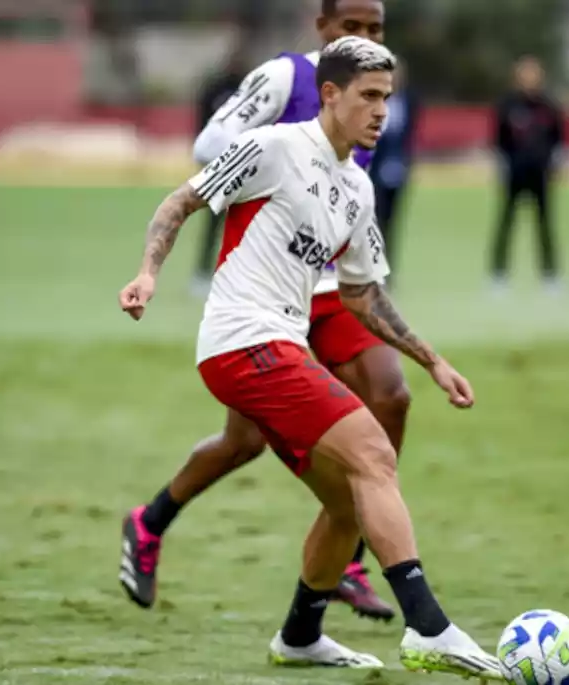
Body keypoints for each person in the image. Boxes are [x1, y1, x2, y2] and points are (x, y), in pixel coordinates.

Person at [118, 36, 503, 677]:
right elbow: (180, 201)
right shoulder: (275, 149)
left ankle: (300, 636)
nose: (383, 111)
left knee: (351, 499)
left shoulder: (356, 187)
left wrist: (432, 360)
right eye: (369, 97)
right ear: (330, 95)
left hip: (276, 348)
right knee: (375, 452)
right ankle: (429, 628)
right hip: (244, 342)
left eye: (389, 98)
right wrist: (148, 273)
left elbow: (360, 292)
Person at [121, 0, 406, 623]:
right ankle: (148, 522)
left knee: (391, 393)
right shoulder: (286, 78)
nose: (362, 38)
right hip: (270, 291)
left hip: (331, 285)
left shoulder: (376, 90)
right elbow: (209, 141)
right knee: (243, 441)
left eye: (374, 29)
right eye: (350, 27)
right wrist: (281, 158)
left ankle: (350, 551)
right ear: (322, 27)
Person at [490, 55, 566, 293]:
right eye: (525, 74)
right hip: (514, 174)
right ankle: (498, 275)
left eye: (533, 74)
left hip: (541, 174)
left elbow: (559, 140)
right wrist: (503, 165)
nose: (529, 79)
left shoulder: (549, 106)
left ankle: (550, 276)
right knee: (506, 223)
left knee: (544, 224)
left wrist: (556, 164)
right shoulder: (507, 105)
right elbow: (498, 141)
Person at [190, 45, 251, 296]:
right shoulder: (214, 89)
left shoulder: (249, 91)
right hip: (217, 165)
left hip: (245, 164)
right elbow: (201, 122)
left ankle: (239, 277)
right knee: (213, 222)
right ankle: (202, 273)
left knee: (244, 222)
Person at [369, 59, 420, 287]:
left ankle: (389, 270)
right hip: (376, 171)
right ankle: (372, 269)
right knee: (375, 221)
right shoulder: (374, 102)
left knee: (393, 222)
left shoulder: (410, 102)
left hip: (399, 170)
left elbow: (409, 137)